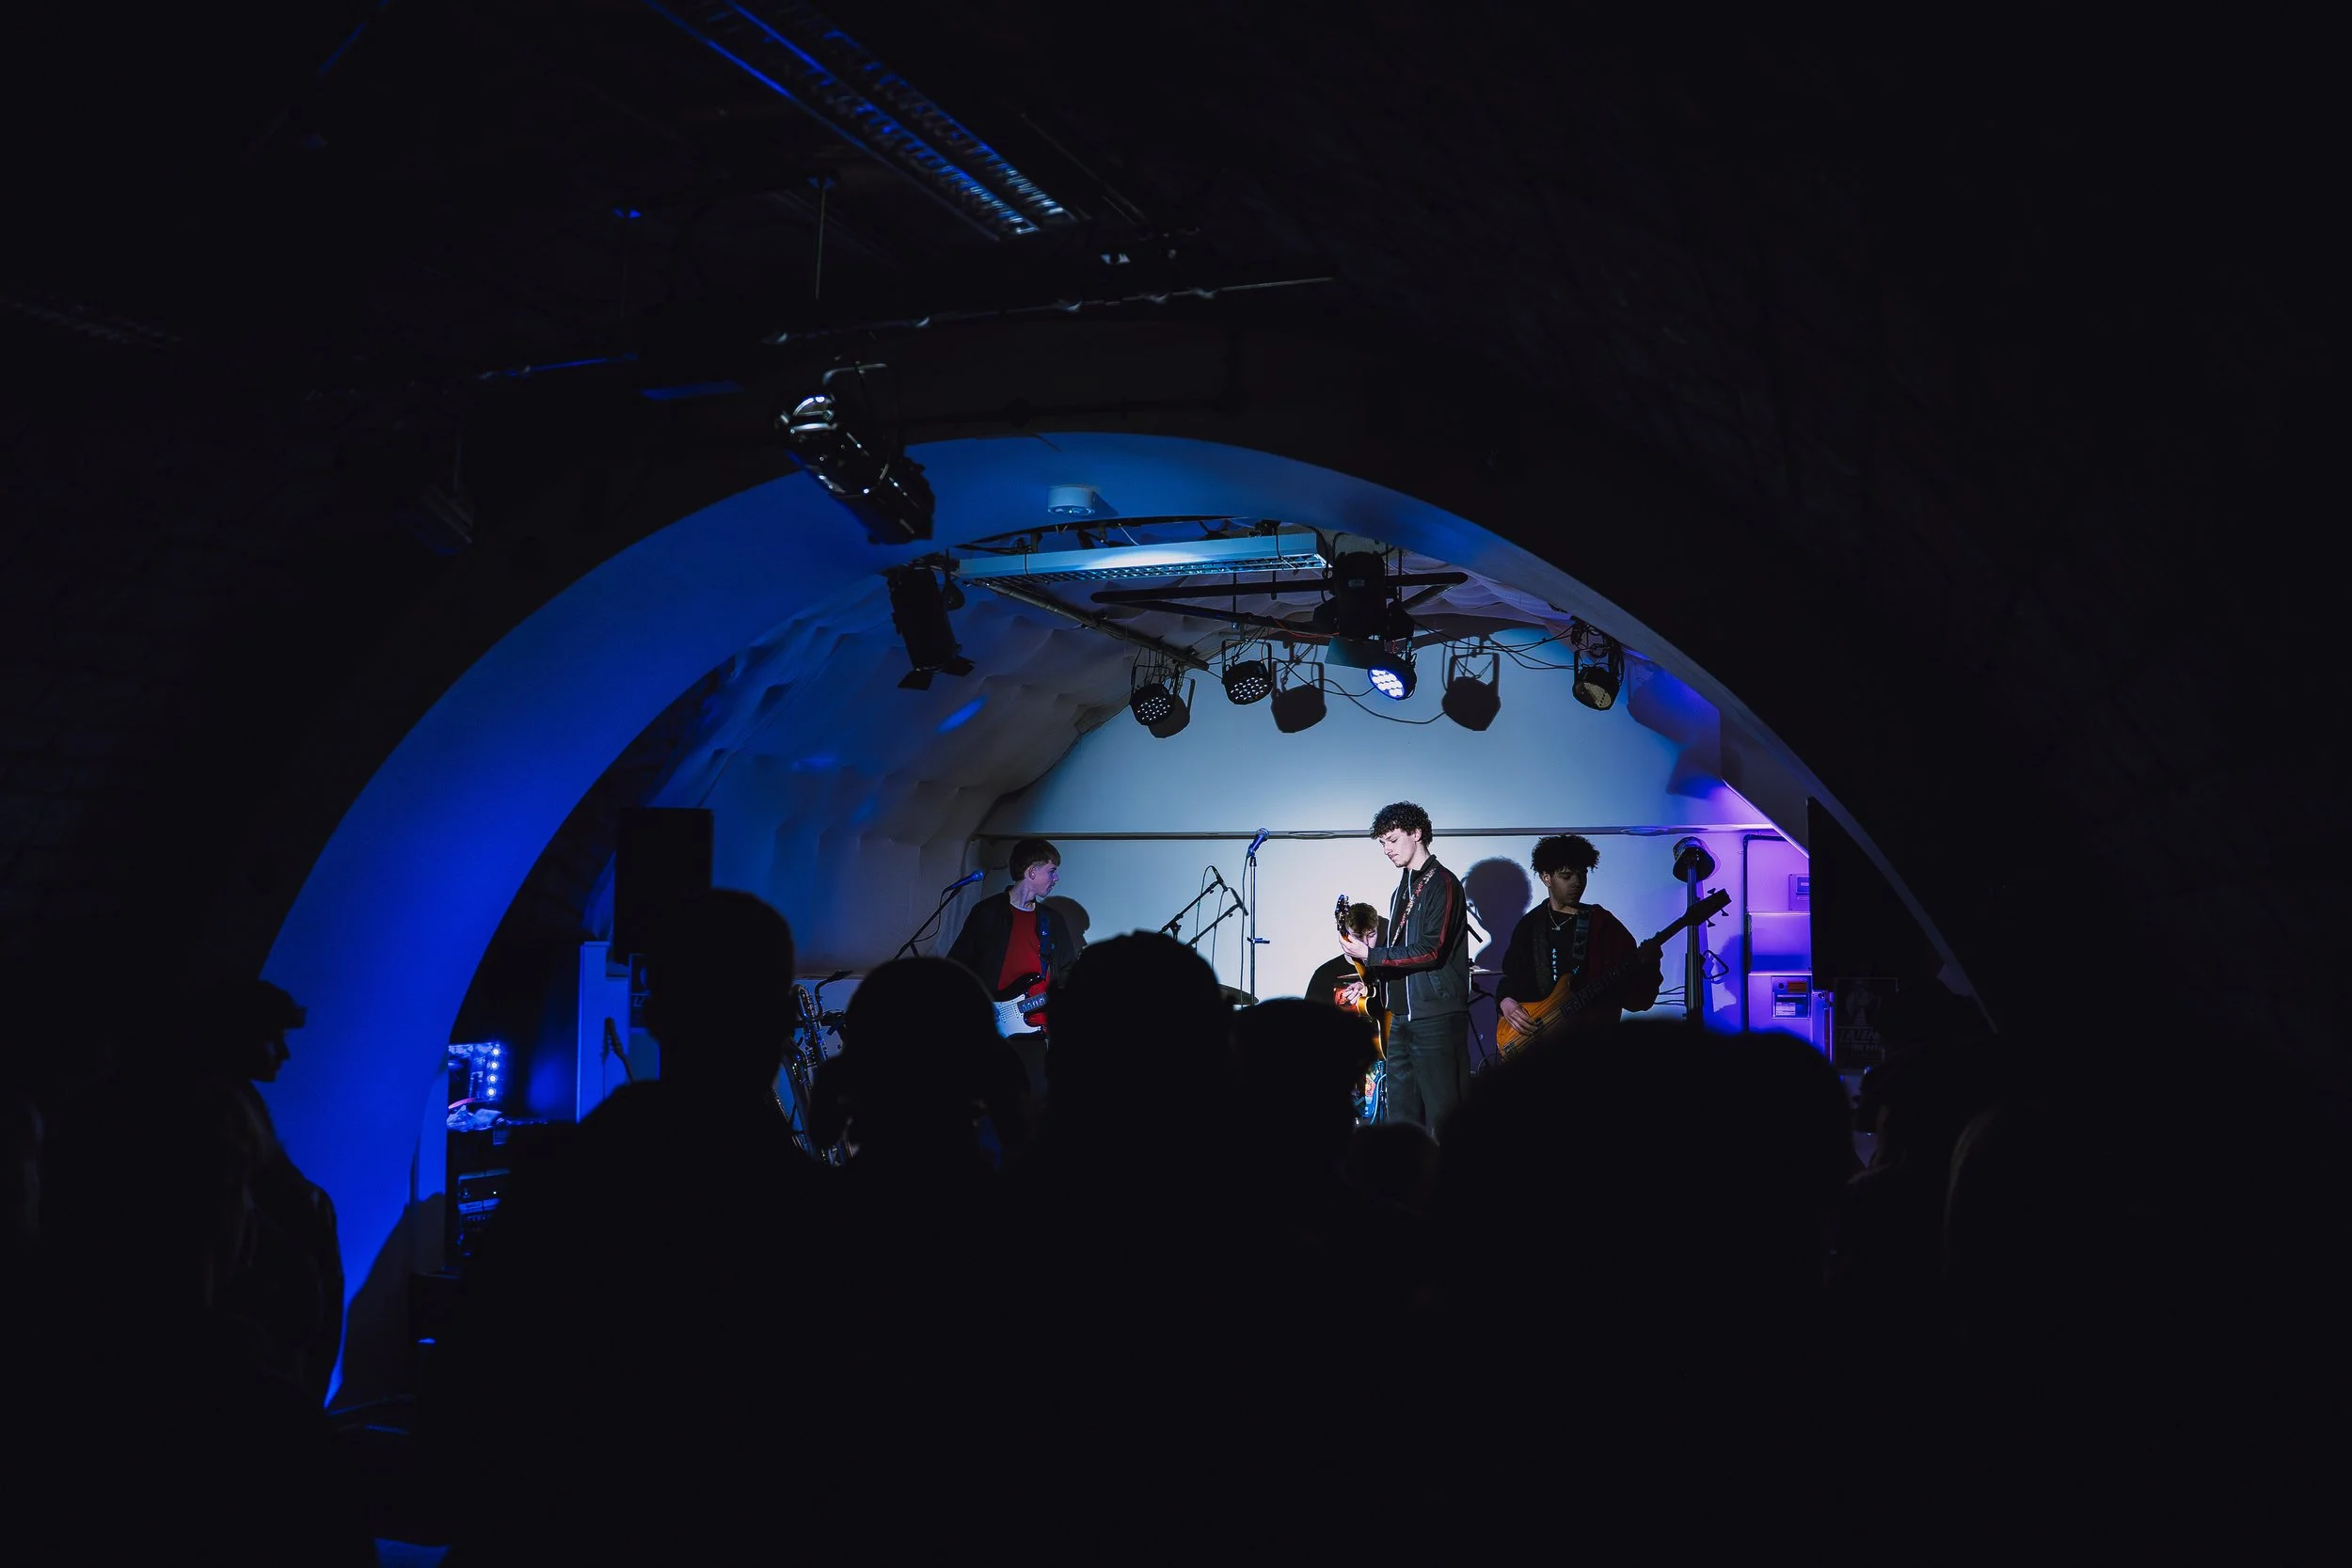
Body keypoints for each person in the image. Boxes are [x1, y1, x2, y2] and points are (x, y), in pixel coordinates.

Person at [1339, 802, 1470, 1136]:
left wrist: (1371, 955)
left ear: (1417, 833)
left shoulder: (1443, 883)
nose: (1387, 849)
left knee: (1444, 1118)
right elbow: (1397, 953)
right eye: (1383, 843)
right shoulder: (1401, 890)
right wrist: (1370, 983)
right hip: (1399, 1019)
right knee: (1401, 1121)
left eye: (1393, 840)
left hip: (1435, 1017)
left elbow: (1431, 950)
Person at [1494, 834, 1662, 1047]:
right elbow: (1511, 977)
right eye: (1566, 876)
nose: (1577, 883)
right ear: (1546, 878)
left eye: (1582, 874)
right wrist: (1506, 1002)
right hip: (1539, 1043)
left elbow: (1637, 998)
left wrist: (1650, 965)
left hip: (1592, 1041)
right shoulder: (1530, 925)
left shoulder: (1604, 925)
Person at [946, 837, 1063, 1092]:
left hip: (1033, 1030)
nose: (1056, 879)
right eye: (1051, 871)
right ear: (1032, 871)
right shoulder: (987, 913)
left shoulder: (1051, 921)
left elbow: (1067, 972)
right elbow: (956, 968)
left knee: (1033, 1101)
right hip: (988, 1030)